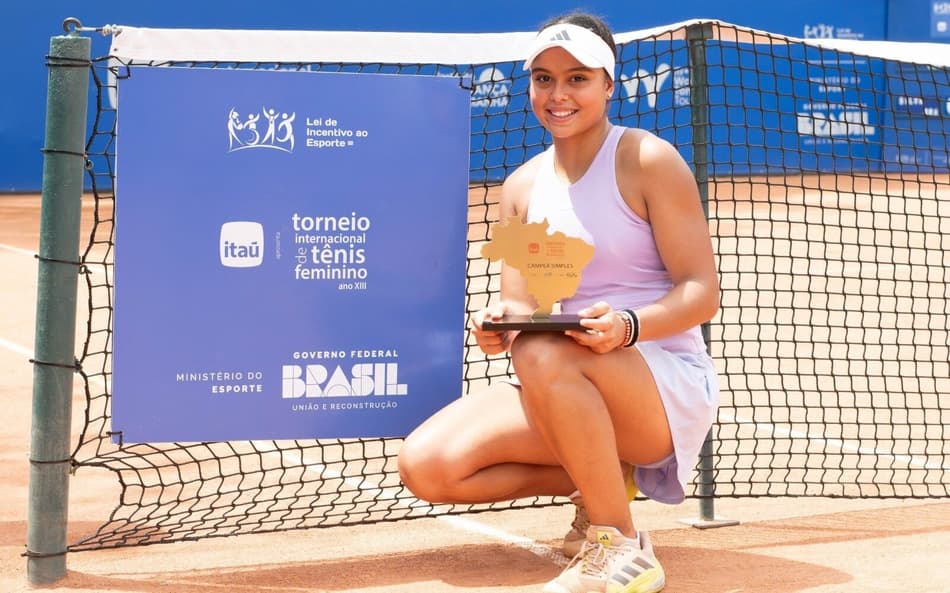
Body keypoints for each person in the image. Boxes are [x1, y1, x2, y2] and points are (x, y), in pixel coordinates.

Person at [397, 11, 720, 593]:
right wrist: (500, 326)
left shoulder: (647, 158)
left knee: (545, 354)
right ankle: (601, 477)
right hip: (564, 378)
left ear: (608, 85)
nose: (558, 93)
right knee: (428, 466)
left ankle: (618, 545)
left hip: (661, 386)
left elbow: (701, 292)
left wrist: (627, 325)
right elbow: (523, 307)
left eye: (577, 78)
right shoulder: (520, 186)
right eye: (543, 78)